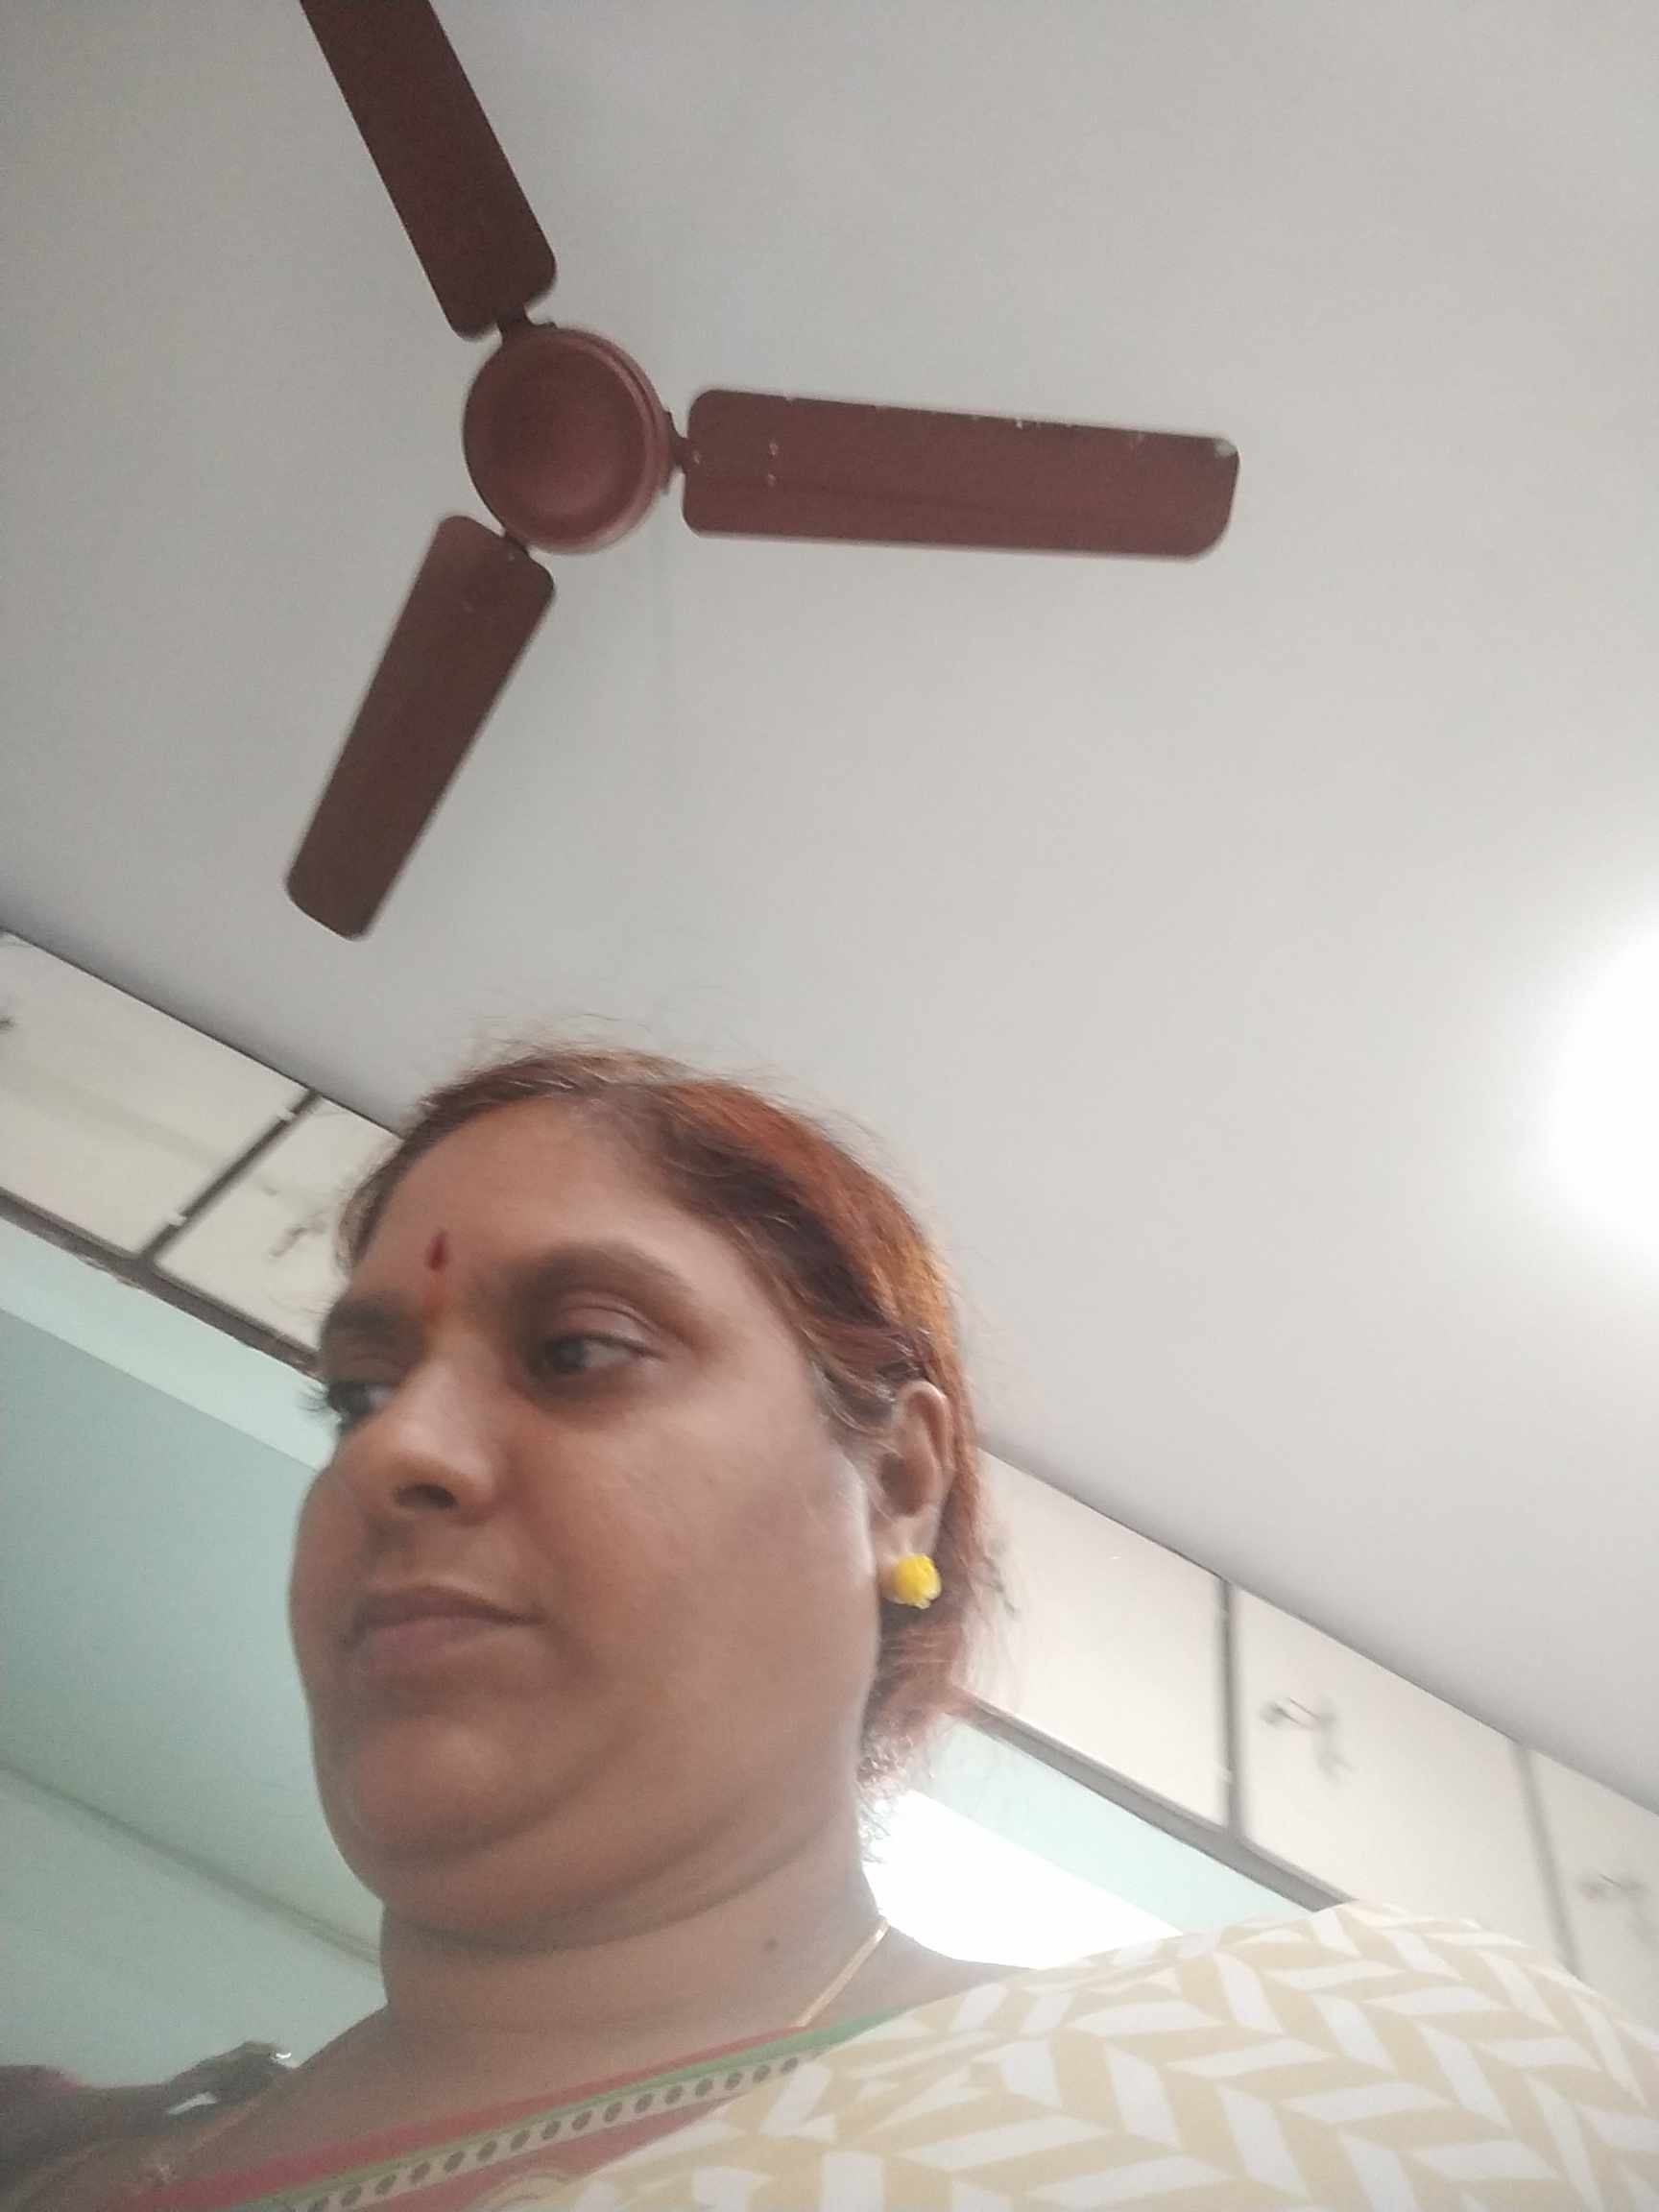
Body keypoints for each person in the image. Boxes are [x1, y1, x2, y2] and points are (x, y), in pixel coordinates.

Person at [8, 1047, 1654, 2211]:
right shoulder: (71, 2155)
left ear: (900, 1488)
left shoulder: (1387, 2093)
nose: (394, 1454)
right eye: (356, 1394)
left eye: (578, 1351)